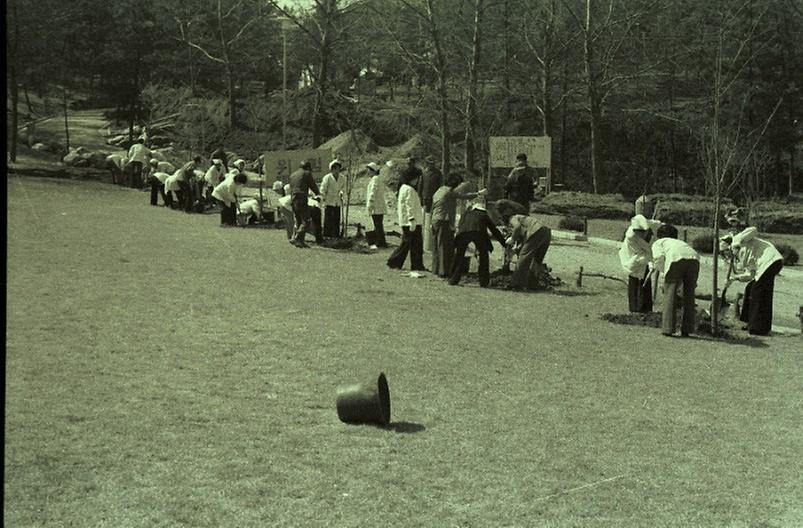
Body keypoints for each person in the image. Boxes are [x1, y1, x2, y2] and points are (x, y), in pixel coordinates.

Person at [723, 215, 784, 336]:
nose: (727, 254)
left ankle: (756, 327)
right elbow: (750, 274)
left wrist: (736, 243)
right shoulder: (739, 258)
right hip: (766, 266)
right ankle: (753, 323)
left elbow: (754, 230)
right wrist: (734, 279)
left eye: (726, 251)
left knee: (757, 291)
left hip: (771, 260)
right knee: (751, 288)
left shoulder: (740, 239)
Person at [430, 174, 485, 277]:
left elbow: (433, 206)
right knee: (445, 247)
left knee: (436, 246)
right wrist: (479, 193)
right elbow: (463, 197)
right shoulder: (449, 192)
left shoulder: (440, 190)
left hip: (435, 220)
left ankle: (436, 269)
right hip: (443, 220)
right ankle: (444, 272)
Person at [651, 223, 700, 337]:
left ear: (659, 235)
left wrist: (663, 272)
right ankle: (687, 329)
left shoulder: (659, 242)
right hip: (694, 259)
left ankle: (668, 328)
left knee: (670, 294)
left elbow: (658, 258)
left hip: (675, 259)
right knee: (689, 294)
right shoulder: (681, 243)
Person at [448, 199, 507, 287]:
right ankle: (484, 282)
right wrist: (504, 243)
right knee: (483, 255)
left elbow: (460, 226)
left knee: (459, 255)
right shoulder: (484, 215)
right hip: (478, 233)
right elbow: (493, 230)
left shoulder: (466, 214)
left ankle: (453, 279)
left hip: (463, 233)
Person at [619, 214, 662, 312]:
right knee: (635, 278)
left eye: (641, 232)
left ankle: (646, 308)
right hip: (634, 257)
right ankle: (634, 308)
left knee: (646, 280)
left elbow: (663, 227)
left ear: (646, 230)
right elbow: (641, 253)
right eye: (636, 231)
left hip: (646, 255)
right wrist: (651, 262)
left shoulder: (652, 225)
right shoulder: (631, 236)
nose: (638, 234)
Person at [386, 167, 426, 271]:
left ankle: (417, 265)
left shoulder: (404, 188)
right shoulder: (409, 189)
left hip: (409, 221)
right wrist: (412, 219)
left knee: (415, 245)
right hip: (411, 222)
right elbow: (409, 205)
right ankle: (394, 262)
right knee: (407, 244)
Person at [505, 214, 552, 290]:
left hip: (536, 230)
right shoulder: (526, 222)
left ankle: (516, 284)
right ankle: (532, 284)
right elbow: (524, 243)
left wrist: (512, 239)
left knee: (523, 257)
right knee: (537, 260)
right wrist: (516, 249)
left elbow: (517, 227)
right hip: (546, 232)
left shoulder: (513, 217)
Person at [288, 161, 321, 248]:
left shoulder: (293, 175)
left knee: (299, 221)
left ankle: (300, 242)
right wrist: (318, 194)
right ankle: (297, 238)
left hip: (293, 199)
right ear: (308, 168)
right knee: (306, 221)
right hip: (301, 199)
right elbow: (313, 185)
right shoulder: (306, 174)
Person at [418, 155, 443, 252]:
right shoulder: (424, 173)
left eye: (433, 163)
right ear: (427, 163)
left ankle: (431, 245)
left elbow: (441, 187)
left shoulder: (438, 173)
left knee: (433, 222)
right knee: (424, 223)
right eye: (430, 163)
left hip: (434, 200)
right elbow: (420, 187)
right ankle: (424, 244)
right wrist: (420, 199)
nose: (432, 165)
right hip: (425, 200)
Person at [320, 159, 345, 238]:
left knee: (336, 218)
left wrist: (342, 192)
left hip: (337, 200)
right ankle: (327, 235)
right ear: (332, 169)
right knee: (328, 218)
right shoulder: (327, 177)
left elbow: (344, 188)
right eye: (335, 168)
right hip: (329, 200)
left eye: (338, 168)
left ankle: (335, 235)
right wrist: (323, 199)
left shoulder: (342, 178)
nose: (337, 170)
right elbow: (323, 189)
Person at [365, 162, 387, 249]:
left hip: (376, 206)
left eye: (369, 171)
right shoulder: (376, 179)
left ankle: (379, 242)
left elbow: (372, 192)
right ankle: (381, 241)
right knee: (378, 224)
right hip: (378, 205)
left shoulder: (375, 179)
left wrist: (370, 202)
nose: (368, 173)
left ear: (373, 171)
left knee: (377, 224)